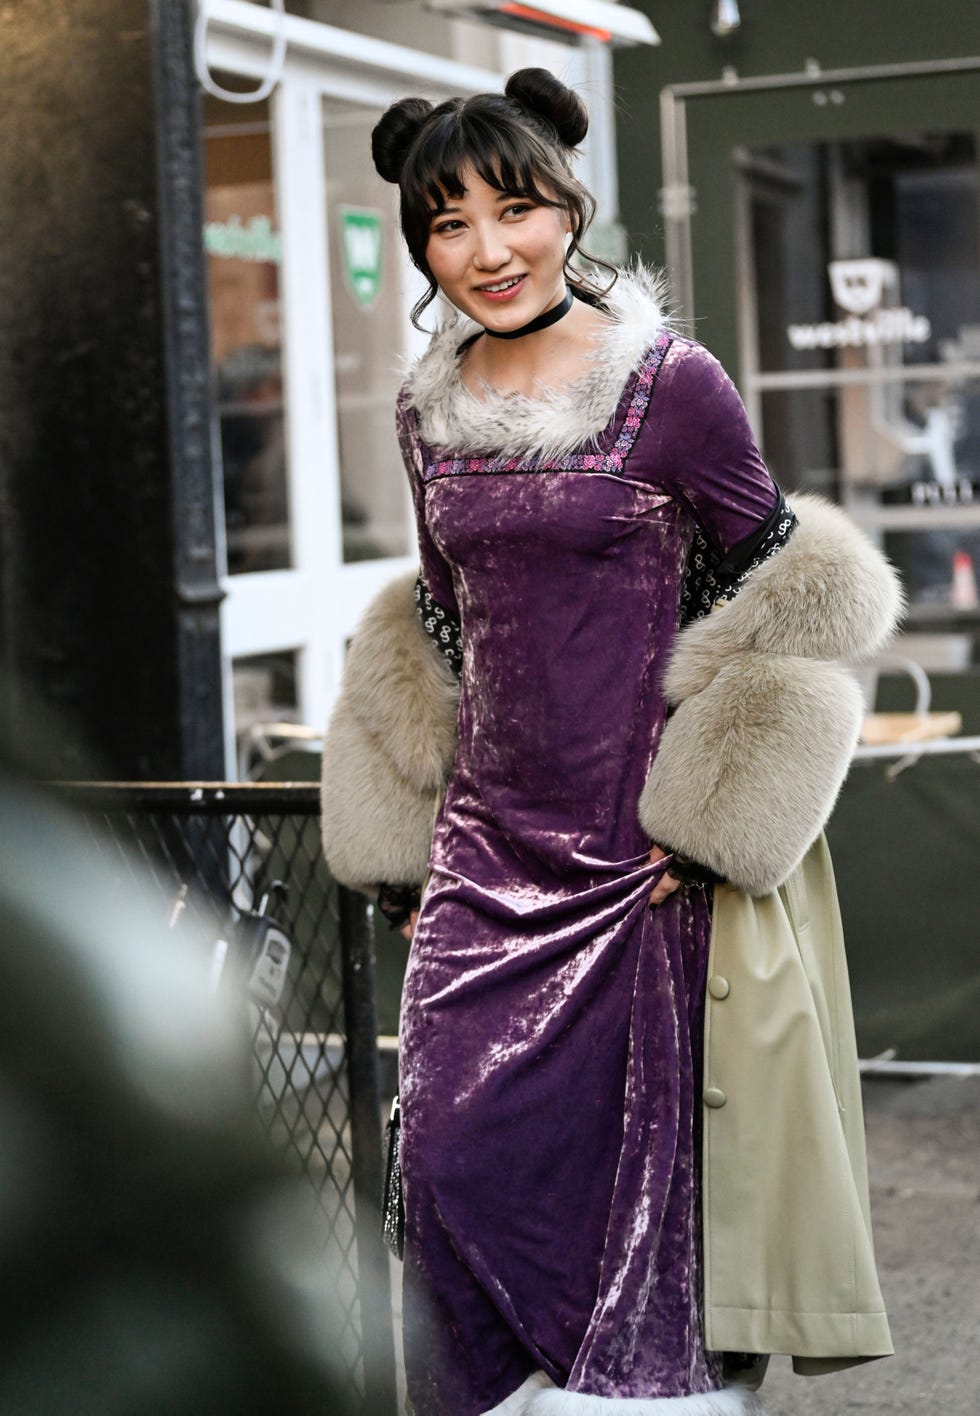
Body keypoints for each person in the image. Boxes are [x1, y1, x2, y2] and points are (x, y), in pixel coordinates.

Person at [322, 69, 899, 1416]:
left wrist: (711, 814)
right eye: (448, 224)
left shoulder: (670, 386)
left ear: (568, 209)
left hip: (636, 872)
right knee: (453, 1165)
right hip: (477, 863)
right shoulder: (428, 408)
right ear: (419, 246)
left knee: (626, 1193)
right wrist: (412, 851)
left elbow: (788, 590)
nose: (489, 250)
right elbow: (441, 615)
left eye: (514, 209)